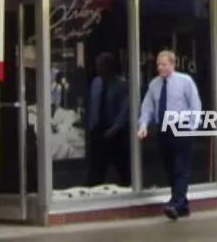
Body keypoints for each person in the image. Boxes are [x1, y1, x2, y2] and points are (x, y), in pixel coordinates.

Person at [137, 50, 201, 220]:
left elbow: (195, 105)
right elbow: (147, 107)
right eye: (158, 65)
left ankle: (175, 204)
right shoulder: (154, 85)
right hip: (163, 129)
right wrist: (143, 125)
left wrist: (192, 128)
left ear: (172, 64)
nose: (160, 68)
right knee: (170, 167)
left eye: (164, 64)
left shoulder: (185, 81)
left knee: (181, 166)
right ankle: (183, 205)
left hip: (181, 127)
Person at [85, 52, 130, 187]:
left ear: (110, 66)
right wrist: (92, 127)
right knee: (96, 169)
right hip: (98, 130)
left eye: (101, 66)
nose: (98, 69)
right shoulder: (96, 83)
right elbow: (92, 105)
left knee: (123, 167)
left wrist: (114, 130)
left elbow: (125, 110)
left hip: (115, 131)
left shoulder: (122, 84)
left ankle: (129, 187)